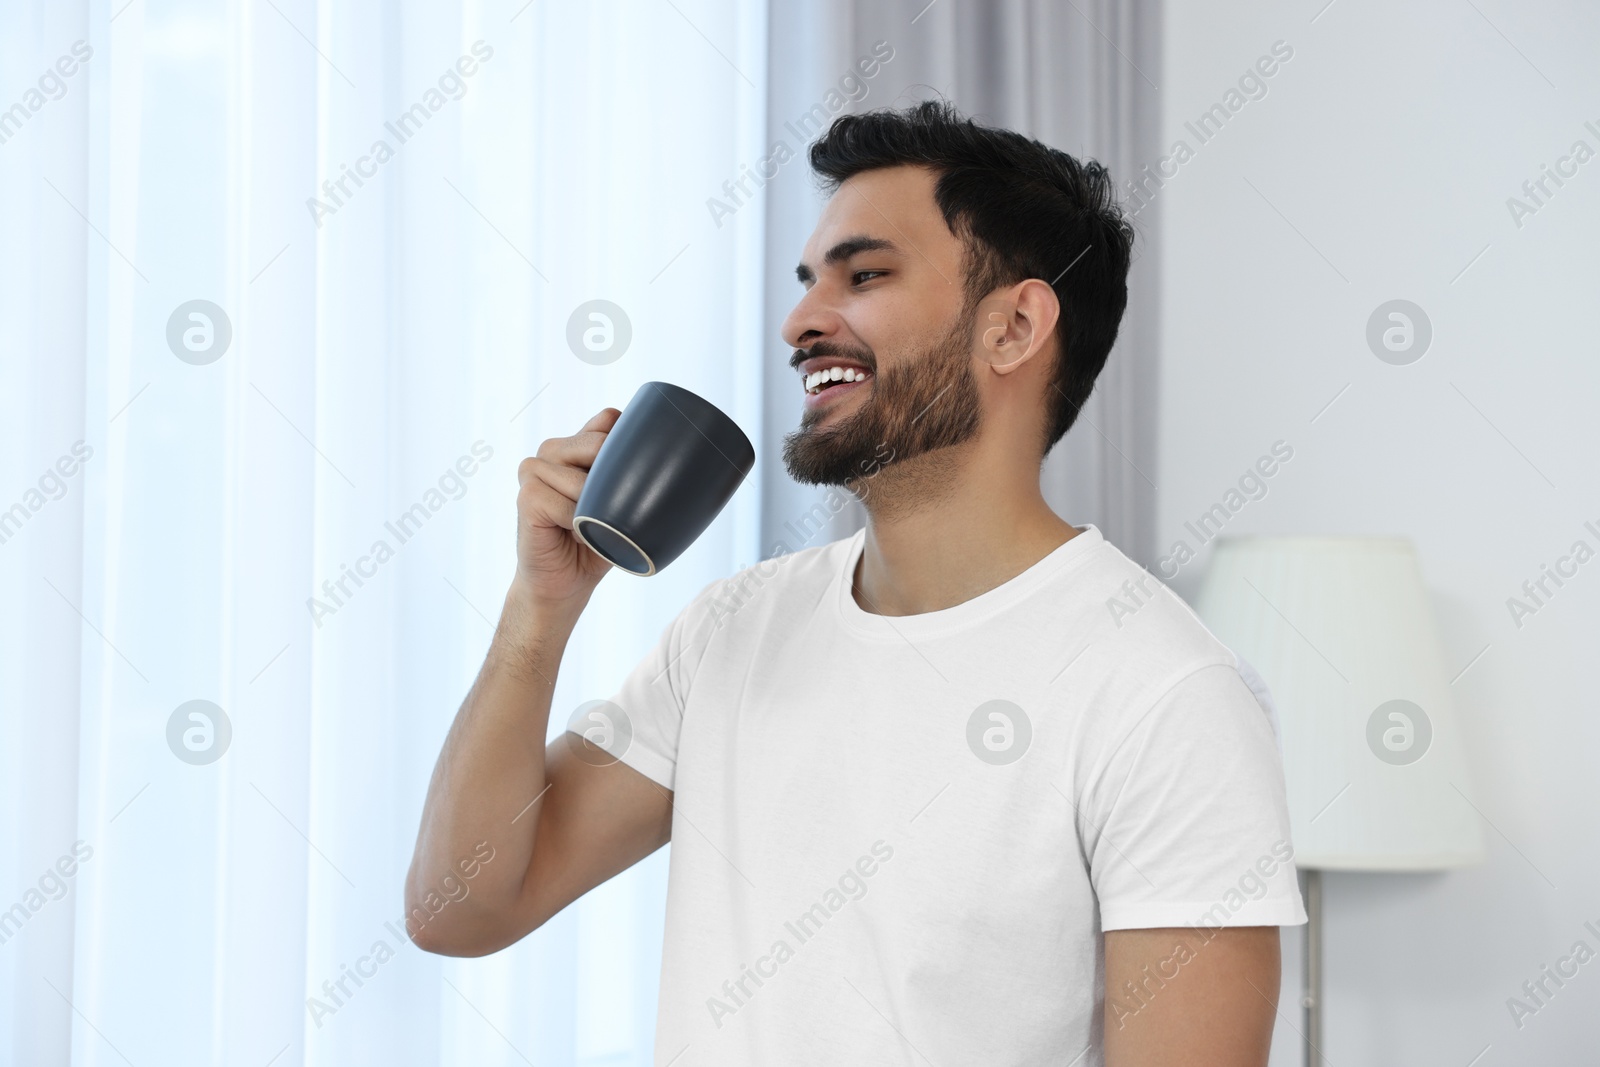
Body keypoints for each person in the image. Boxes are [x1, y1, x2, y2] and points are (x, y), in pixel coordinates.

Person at [406, 101, 1306, 1066]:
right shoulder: (732, 629)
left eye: (864, 275)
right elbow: (457, 911)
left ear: (1013, 327)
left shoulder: (1167, 697)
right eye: (806, 283)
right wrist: (539, 612)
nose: (800, 322)